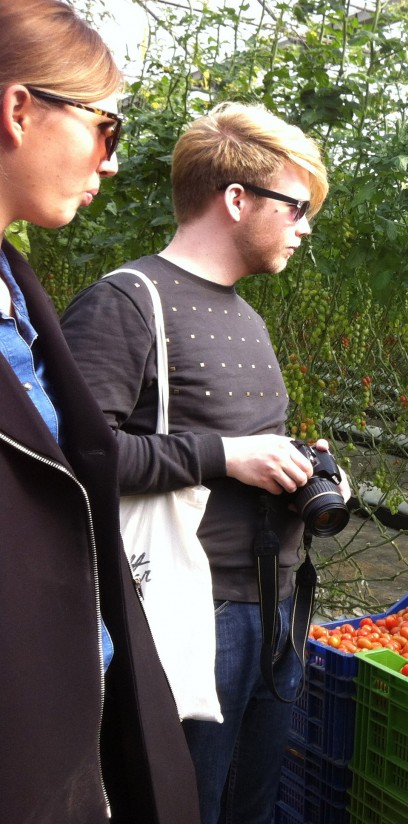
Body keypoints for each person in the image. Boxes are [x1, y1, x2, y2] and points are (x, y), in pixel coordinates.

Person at [61, 102, 331, 824]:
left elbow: (228, 444)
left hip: (272, 605)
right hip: (189, 612)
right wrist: (223, 456)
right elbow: (74, 461)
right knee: (185, 806)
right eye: (298, 206)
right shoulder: (126, 303)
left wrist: (296, 465)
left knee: (249, 805)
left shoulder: (245, 313)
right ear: (237, 199)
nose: (305, 227)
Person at [0, 2, 200, 822]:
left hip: (66, 708)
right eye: (105, 129)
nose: (109, 164)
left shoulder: (16, 284)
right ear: (18, 109)